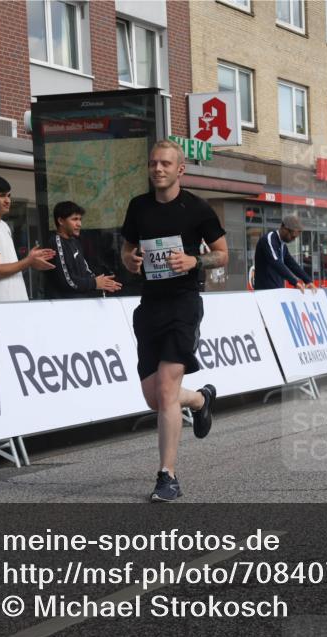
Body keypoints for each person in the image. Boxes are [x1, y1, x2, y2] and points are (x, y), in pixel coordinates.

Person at [120, 139, 228, 502]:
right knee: (155, 398)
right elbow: (126, 249)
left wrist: (195, 261)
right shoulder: (138, 206)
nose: (158, 169)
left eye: (165, 163)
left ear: (180, 169)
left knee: (166, 389)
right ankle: (199, 400)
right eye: (153, 163)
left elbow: (222, 254)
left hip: (183, 304)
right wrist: (129, 260)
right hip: (150, 306)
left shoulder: (197, 208)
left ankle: (167, 476)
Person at [0, 175, 55, 303]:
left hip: (11, 304)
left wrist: (31, 261)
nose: (7, 200)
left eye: (9, 196)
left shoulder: (3, 225)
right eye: (2, 196)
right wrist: (28, 261)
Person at [43, 201, 122, 299]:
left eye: (80, 219)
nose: (79, 224)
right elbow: (68, 281)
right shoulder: (56, 242)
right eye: (74, 219)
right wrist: (94, 283)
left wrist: (103, 283)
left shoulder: (74, 242)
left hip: (80, 302)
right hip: (62, 304)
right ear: (61, 221)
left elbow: (85, 270)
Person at [253, 215, 315, 292]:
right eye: (292, 237)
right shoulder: (269, 239)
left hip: (278, 290)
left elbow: (292, 264)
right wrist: (294, 282)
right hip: (265, 291)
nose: (293, 240)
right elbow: (275, 262)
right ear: (284, 229)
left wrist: (307, 280)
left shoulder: (282, 245)